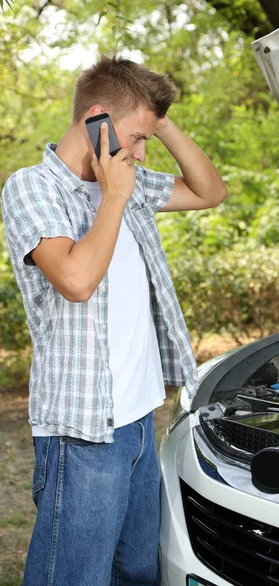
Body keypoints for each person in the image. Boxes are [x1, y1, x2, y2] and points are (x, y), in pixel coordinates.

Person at [1, 55, 227, 586]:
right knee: (74, 576)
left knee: (135, 573)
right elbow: (77, 281)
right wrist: (116, 196)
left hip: (138, 419)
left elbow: (209, 192)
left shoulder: (124, 180)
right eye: (138, 137)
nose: (143, 152)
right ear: (97, 117)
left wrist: (159, 119)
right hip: (82, 432)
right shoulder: (32, 188)